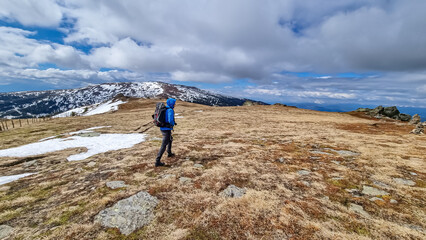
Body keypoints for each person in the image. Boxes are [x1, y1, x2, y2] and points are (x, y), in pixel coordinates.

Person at [155, 98, 176, 167]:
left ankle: (169, 153)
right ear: (171, 104)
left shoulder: (165, 109)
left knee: (170, 139)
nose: (175, 104)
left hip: (162, 128)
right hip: (167, 129)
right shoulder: (170, 110)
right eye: (174, 103)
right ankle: (157, 161)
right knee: (164, 145)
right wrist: (173, 124)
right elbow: (170, 121)